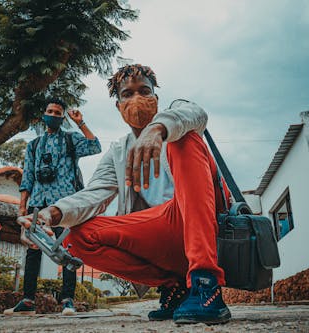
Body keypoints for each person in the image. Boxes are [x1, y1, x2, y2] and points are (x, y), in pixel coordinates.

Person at [19, 64, 231, 324]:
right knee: (76, 237)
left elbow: (196, 113)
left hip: (206, 222)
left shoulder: (176, 119)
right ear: (118, 106)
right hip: (164, 231)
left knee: (186, 138)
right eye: (127, 94)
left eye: (144, 91)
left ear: (156, 99)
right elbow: (93, 194)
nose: (136, 99)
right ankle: (174, 286)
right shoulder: (118, 151)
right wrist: (50, 214)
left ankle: (205, 283)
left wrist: (158, 129)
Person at [4, 97, 101, 316]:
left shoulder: (70, 139)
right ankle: (27, 301)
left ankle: (67, 300)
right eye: (51, 111)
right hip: (38, 202)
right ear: (44, 114)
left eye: (59, 113)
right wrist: (22, 207)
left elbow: (95, 146)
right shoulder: (34, 145)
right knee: (32, 249)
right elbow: (27, 176)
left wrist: (81, 123)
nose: (54, 115)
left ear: (63, 117)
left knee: (67, 248)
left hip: (64, 203)